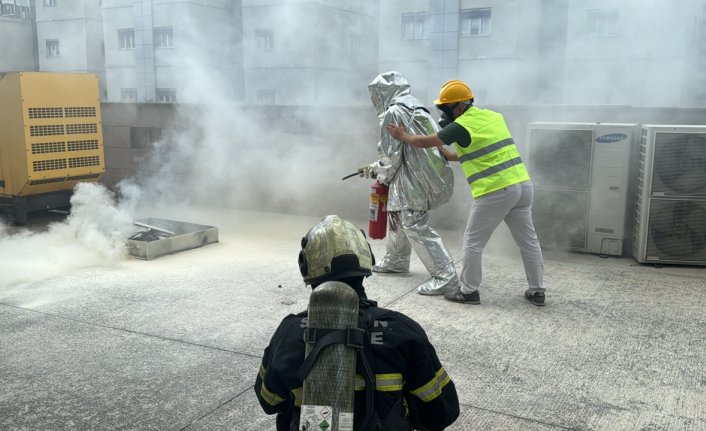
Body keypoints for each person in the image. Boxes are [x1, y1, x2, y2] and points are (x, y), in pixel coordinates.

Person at [254, 215, 460, 430]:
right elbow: (441, 412)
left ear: (306, 266)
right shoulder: (401, 330)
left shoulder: (289, 333)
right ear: (366, 260)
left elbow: (269, 401)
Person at [385, 79, 546, 306]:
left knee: (472, 242)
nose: (443, 113)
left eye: (445, 108)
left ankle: (469, 291)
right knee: (529, 242)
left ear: (459, 106)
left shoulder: (461, 125)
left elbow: (425, 141)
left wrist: (404, 137)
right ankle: (537, 291)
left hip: (496, 190)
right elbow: (482, 150)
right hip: (522, 186)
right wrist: (450, 156)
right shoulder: (493, 117)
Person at [358, 71, 460, 296]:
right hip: (415, 174)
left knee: (414, 223)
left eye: (376, 95)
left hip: (410, 176)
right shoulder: (418, 108)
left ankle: (446, 276)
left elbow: (390, 154)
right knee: (397, 216)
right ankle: (396, 259)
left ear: (383, 93)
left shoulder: (393, 112)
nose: (375, 100)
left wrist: (377, 171)